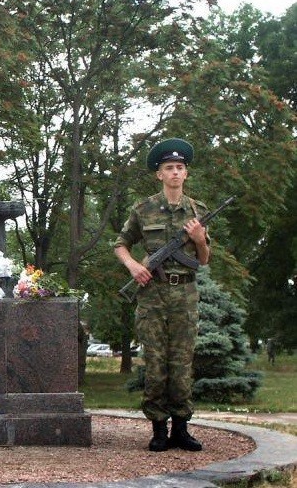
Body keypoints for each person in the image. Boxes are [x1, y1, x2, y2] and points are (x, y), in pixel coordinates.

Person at [114, 138, 210, 453]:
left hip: (184, 294)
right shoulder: (142, 209)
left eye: (180, 167)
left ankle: (181, 429)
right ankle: (158, 430)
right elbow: (120, 243)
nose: (174, 173)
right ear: (159, 174)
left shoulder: (198, 211)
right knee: (155, 364)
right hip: (152, 295)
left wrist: (199, 239)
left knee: (182, 364)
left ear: (186, 173)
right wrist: (132, 267)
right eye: (169, 168)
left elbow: (204, 259)